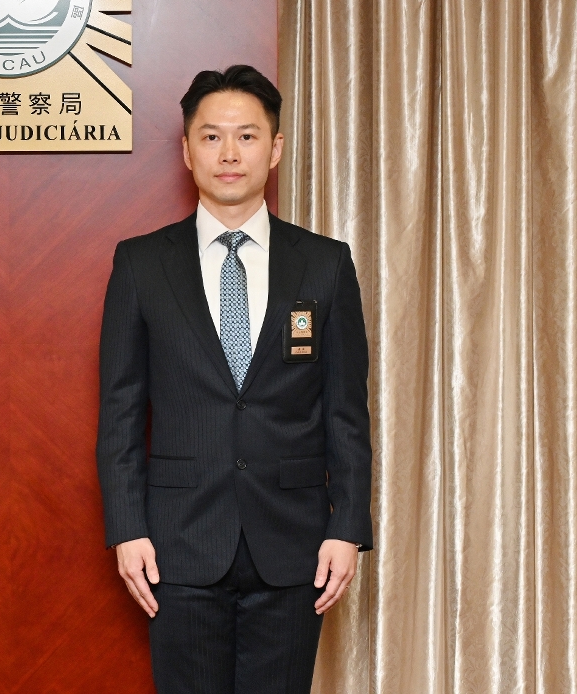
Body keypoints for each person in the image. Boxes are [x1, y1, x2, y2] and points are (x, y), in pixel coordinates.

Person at [95, 65, 373, 693]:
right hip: (177, 545)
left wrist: (347, 527)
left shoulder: (325, 263)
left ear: (274, 149)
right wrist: (127, 528)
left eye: (247, 136)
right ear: (186, 150)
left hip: (295, 545)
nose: (229, 153)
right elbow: (119, 412)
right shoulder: (140, 263)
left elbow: (346, 411)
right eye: (211, 136)